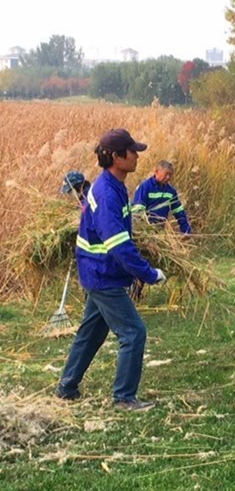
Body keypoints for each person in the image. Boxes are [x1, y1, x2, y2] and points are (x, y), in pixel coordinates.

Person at [56, 128, 167, 412]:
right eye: (132, 152)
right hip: (102, 274)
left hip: (98, 272)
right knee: (133, 333)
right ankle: (124, 398)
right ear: (117, 157)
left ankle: (66, 387)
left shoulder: (114, 185)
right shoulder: (106, 193)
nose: (137, 156)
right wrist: (148, 273)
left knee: (91, 333)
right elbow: (118, 246)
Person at [132, 160, 192, 234]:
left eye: (170, 175)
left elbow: (178, 211)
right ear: (156, 171)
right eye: (166, 174)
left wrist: (186, 229)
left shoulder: (171, 191)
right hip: (145, 230)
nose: (168, 177)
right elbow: (138, 211)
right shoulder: (145, 187)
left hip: (160, 231)